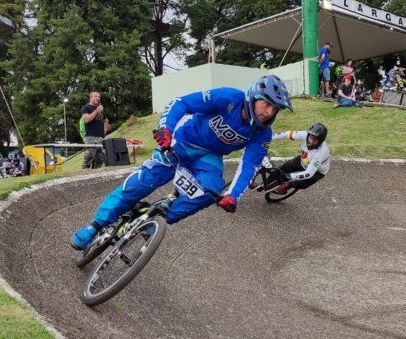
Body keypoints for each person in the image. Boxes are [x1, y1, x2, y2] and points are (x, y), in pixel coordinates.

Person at [71, 75, 292, 250]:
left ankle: (158, 218)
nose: (269, 112)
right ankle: (95, 225)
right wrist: (166, 128)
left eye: (276, 109)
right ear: (253, 97)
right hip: (182, 141)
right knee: (142, 181)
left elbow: (249, 166)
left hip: (209, 158)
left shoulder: (263, 134)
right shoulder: (227, 98)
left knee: (212, 189)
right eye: (267, 104)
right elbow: (182, 103)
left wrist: (233, 196)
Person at [270, 122, 331, 194]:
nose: (311, 141)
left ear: (320, 140)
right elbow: (287, 134)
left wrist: (289, 176)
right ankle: (263, 184)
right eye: (311, 138)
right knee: (280, 170)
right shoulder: (304, 135)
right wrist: (270, 137)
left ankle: (289, 185)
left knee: (301, 184)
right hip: (304, 160)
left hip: (317, 171)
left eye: (315, 140)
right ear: (308, 134)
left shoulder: (321, 153)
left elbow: (309, 174)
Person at [80, 91, 108, 169]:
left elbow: (105, 120)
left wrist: (105, 130)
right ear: (91, 97)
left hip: (101, 137)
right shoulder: (86, 108)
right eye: (96, 96)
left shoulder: (100, 109)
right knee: (89, 156)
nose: (98, 98)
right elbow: (86, 120)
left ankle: (96, 173)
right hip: (90, 137)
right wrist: (96, 111)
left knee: (101, 157)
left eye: (99, 97)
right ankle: (84, 172)